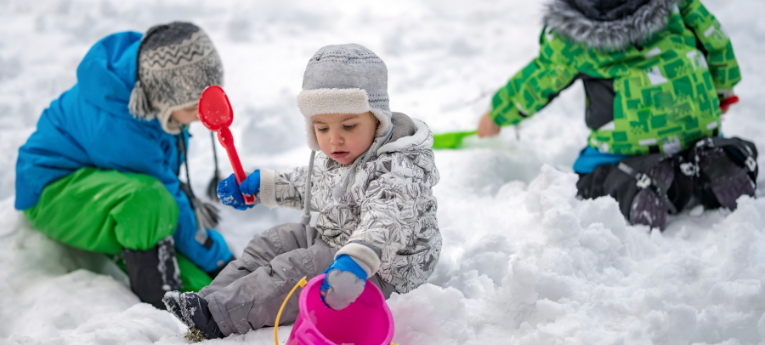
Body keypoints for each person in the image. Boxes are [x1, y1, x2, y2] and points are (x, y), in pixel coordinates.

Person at [163, 44, 441, 339]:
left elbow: (385, 222)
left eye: (348, 125)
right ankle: (209, 300)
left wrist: (355, 264)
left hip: (380, 268)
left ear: (378, 119)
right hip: (337, 238)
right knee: (271, 242)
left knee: (296, 271)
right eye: (322, 128)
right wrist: (263, 186)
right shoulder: (344, 152)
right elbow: (309, 183)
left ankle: (217, 317)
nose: (334, 139)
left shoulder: (396, 169)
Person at [476, 0, 757, 230]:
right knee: (695, 149)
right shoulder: (678, 5)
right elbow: (715, 39)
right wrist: (722, 90)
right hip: (698, 121)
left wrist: (497, 115)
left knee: (588, 177)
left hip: (629, 140)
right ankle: (718, 160)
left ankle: (635, 183)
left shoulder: (571, 39)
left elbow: (535, 82)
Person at [15, 22, 233, 309]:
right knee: (150, 201)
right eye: (194, 107)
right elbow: (164, 194)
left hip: (102, 182)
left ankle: (192, 284)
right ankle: (160, 297)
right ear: (162, 98)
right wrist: (220, 260)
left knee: (204, 279)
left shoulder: (151, 87)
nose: (202, 115)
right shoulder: (121, 126)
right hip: (54, 193)